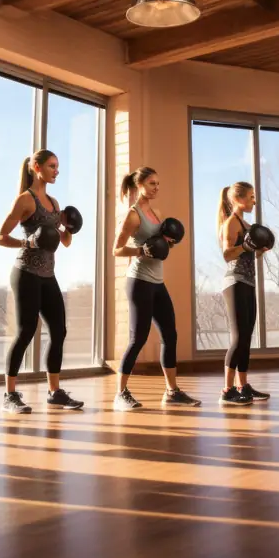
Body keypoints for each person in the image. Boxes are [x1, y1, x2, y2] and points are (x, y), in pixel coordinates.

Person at [0, 149, 83, 414]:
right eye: (52, 166)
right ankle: (10, 395)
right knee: (25, 332)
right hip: (25, 273)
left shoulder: (54, 203)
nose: (57, 171)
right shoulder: (25, 199)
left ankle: (55, 392)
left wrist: (69, 228)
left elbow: (64, 242)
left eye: (57, 166)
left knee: (59, 331)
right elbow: (0, 237)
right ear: (36, 167)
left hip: (48, 275)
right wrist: (28, 242)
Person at [112, 166, 200, 411]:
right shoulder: (133, 215)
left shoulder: (156, 213)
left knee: (170, 335)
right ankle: (120, 393)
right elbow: (116, 250)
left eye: (158, 183)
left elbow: (159, 246)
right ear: (139, 185)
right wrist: (140, 250)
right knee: (138, 338)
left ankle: (172, 392)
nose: (156, 188)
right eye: (152, 183)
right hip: (139, 281)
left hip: (158, 282)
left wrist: (167, 243)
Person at [218, 181, 271, 405]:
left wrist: (260, 250)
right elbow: (227, 255)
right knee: (239, 337)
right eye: (251, 197)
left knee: (247, 335)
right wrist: (246, 247)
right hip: (235, 282)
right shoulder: (231, 223)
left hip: (248, 282)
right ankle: (227, 390)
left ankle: (243, 386)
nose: (254, 201)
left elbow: (250, 254)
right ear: (237, 199)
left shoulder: (247, 224)